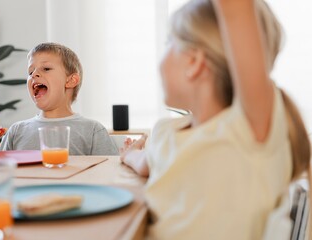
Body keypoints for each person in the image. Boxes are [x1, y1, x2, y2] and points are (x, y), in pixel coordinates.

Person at [120, 0, 311, 239]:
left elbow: (235, 9)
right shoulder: (167, 131)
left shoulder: (246, 131)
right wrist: (128, 155)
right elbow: (147, 163)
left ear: (194, 62)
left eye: (169, 42)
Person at [0, 42, 118, 156]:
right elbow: (2, 175)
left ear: (71, 80)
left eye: (46, 69)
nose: (34, 74)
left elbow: (110, 175)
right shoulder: (17, 131)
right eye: (30, 71)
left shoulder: (92, 130)